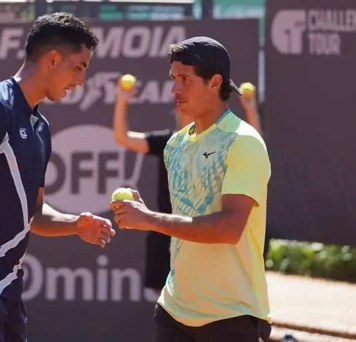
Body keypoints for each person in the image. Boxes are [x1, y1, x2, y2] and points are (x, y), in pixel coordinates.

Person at [0, 13, 116, 342]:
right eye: (80, 67)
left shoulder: (41, 127)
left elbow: (35, 214)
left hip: (8, 287)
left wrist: (75, 224)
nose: (81, 80)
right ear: (53, 58)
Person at [110, 36, 272, 341]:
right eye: (173, 78)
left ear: (215, 82)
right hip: (174, 311)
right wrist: (145, 210)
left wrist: (149, 219)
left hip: (231, 315)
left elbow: (228, 228)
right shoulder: (175, 144)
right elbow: (190, 213)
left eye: (185, 79)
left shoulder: (244, 142)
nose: (175, 89)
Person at [112, 80, 193, 293]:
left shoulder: (212, 143)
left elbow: (253, 143)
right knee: (164, 302)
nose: (180, 104)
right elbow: (123, 138)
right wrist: (122, 99)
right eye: (178, 101)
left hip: (197, 230)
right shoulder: (167, 141)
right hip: (163, 229)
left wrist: (250, 110)